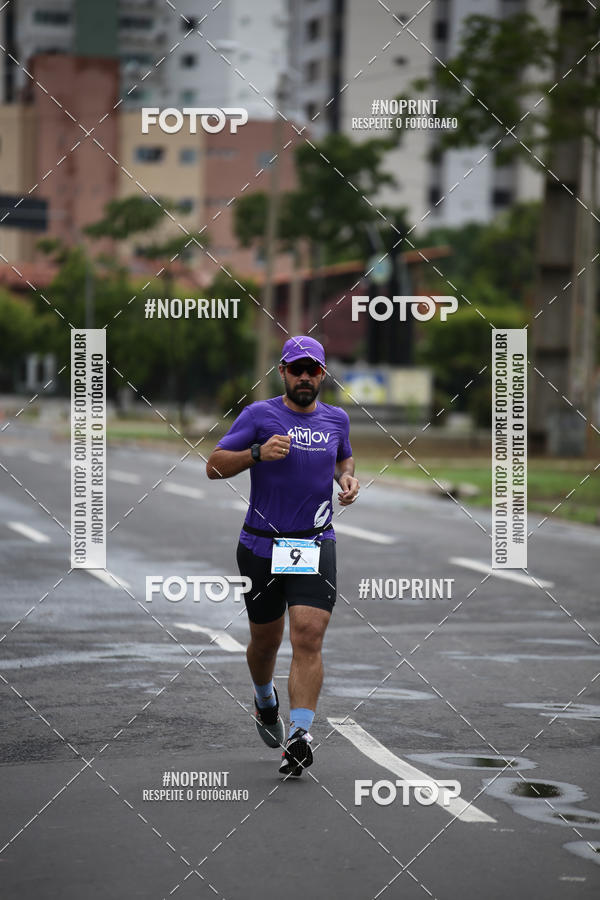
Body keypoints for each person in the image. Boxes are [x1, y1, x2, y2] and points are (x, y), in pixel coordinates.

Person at [206, 336, 359, 776]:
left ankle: (300, 735)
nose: (306, 377)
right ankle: (263, 697)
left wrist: (347, 480)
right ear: (283, 372)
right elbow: (213, 465)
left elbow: (344, 460)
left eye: (313, 370)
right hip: (261, 545)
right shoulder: (260, 415)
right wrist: (256, 453)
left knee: (308, 635)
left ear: (324, 375)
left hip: (313, 541)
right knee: (266, 642)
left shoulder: (338, 419)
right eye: (298, 369)